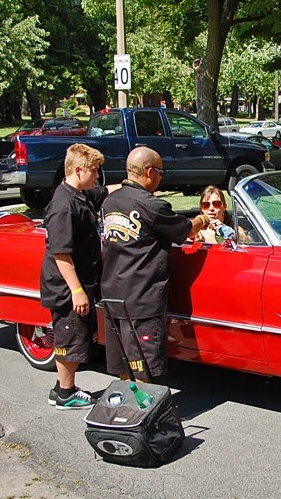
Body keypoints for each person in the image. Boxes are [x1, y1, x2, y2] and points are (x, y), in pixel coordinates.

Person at [100, 146, 209, 383]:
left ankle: (127, 409)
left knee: (124, 361)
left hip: (112, 293)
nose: (161, 177)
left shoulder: (111, 201)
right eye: (161, 172)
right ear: (150, 172)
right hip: (142, 297)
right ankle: (142, 412)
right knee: (143, 365)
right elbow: (185, 230)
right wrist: (201, 219)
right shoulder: (153, 206)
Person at [40, 143, 119, 410]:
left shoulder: (80, 194)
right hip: (65, 286)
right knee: (69, 337)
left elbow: (105, 191)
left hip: (83, 279)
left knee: (79, 335)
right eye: (94, 170)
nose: (97, 176)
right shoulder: (63, 206)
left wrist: (132, 184)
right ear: (78, 170)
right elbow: (61, 254)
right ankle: (65, 393)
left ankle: (62, 388)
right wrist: (76, 291)